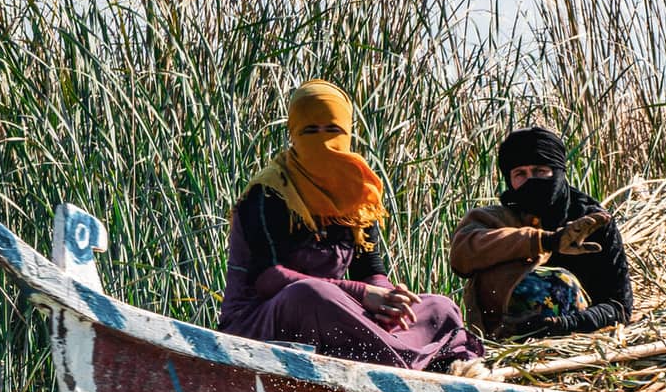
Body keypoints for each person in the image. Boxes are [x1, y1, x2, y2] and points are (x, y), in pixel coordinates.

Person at [219, 79, 485, 373]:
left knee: (440, 308)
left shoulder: (358, 193)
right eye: (310, 131)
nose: (323, 140)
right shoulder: (270, 192)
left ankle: (406, 360)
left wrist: (389, 299)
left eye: (332, 130)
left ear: (347, 133)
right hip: (263, 319)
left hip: (336, 315)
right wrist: (362, 294)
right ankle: (407, 365)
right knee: (312, 294)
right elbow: (268, 278)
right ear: (294, 135)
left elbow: (371, 272)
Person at [448, 126, 634, 339]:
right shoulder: (494, 219)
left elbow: (619, 306)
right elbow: (462, 254)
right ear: (510, 179)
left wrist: (565, 325)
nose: (531, 180)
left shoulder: (593, 222)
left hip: (575, 339)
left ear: (557, 172)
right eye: (521, 174)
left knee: (560, 283)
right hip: (503, 338)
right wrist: (546, 241)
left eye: (539, 171)